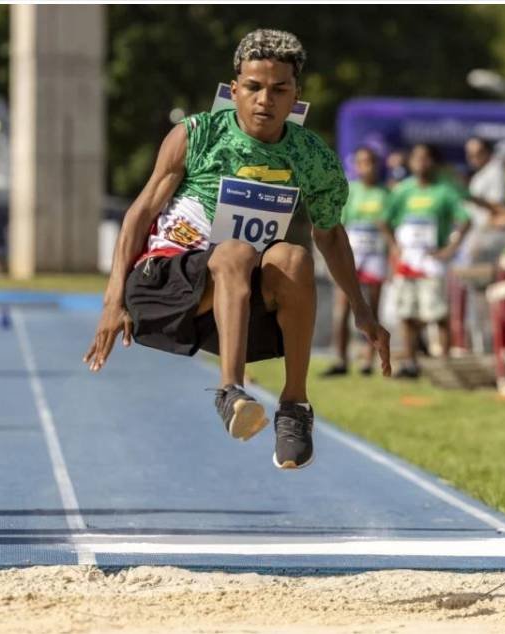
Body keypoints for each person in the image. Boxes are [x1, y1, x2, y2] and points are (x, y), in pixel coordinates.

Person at [84, 29, 390, 470]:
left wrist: (361, 308)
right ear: (235, 89)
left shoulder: (312, 157)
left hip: (235, 301)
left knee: (292, 257)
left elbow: (330, 234)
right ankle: (231, 392)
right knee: (237, 252)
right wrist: (113, 301)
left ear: (296, 95)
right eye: (254, 87)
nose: (265, 99)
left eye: (279, 89)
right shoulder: (198, 134)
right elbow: (139, 213)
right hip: (164, 281)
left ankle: (295, 407)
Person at [384, 143, 471, 378]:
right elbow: (383, 219)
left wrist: (450, 248)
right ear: (410, 162)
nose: (421, 163)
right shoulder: (403, 191)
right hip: (407, 262)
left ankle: (444, 364)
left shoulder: (445, 191)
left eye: (426, 158)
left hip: (432, 263)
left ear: (433, 162)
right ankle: (411, 363)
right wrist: (394, 246)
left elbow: (465, 219)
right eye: (416, 158)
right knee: (407, 313)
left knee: (438, 313)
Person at [321, 147, 389, 377]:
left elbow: (390, 226)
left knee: (372, 307)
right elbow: (339, 226)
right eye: (360, 162)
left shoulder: (385, 194)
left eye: (369, 162)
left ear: (376, 165)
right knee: (343, 307)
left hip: (376, 255)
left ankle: (369, 359)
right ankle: (340, 358)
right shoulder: (349, 191)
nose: (365, 167)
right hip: (352, 254)